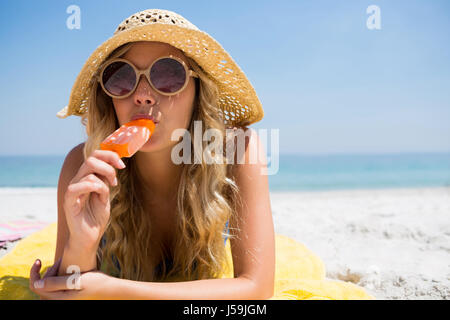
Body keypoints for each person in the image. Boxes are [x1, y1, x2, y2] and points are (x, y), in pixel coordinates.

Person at [29, 9, 275, 299]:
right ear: (107, 96)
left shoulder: (237, 150)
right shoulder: (82, 166)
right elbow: (71, 290)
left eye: (168, 74)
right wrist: (82, 244)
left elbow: (257, 289)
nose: (142, 94)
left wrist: (110, 289)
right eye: (121, 77)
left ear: (198, 89)